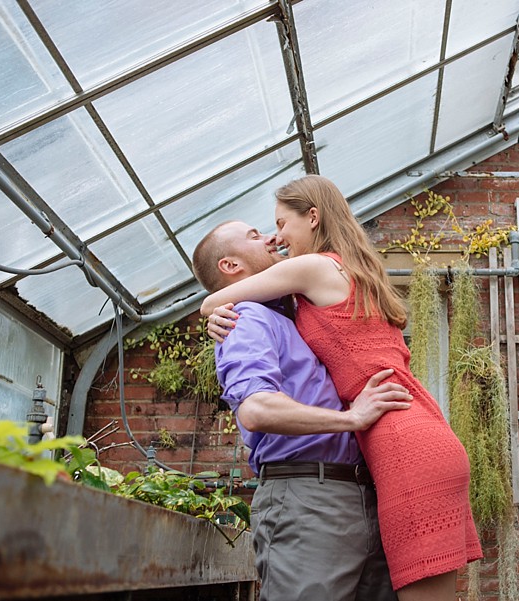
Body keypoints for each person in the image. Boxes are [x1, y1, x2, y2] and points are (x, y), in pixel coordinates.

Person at [201, 175, 483, 601]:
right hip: (410, 434)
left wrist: (212, 309)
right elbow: (257, 399)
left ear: (312, 217)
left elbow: (210, 301)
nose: (275, 238)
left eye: (279, 225)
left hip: (401, 441)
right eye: (261, 233)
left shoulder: (313, 269)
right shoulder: (328, 283)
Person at [192, 220, 413, 601]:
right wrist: (351, 419)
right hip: (307, 497)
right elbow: (256, 409)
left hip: (357, 494)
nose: (270, 238)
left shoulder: (295, 315)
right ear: (230, 266)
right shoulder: (246, 319)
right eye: (255, 236)